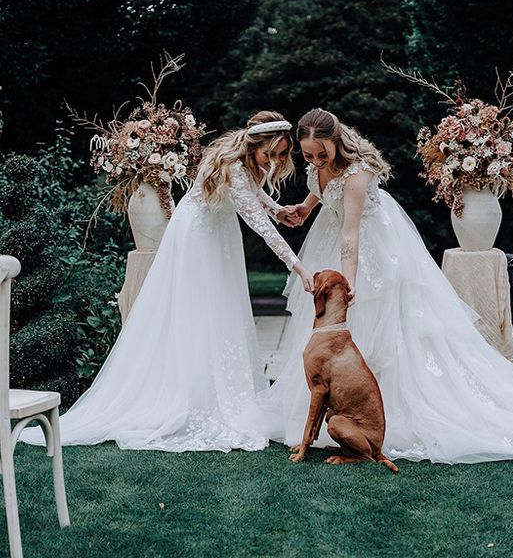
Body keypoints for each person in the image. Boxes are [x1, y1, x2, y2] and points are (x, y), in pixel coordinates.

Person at [257, 108, 513, 464]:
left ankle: (381, 415)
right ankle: (340, 408)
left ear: (336, 141)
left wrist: (349, 283)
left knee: (383, 329)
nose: (316, 162)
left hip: (372, 249)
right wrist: (305, 207)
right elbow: (324, 191)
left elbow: (350, 236)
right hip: (332, 236)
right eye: (309, 156)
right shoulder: (319, 168)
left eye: (322, 154)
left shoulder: (357, 174)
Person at [23, 111, 313, 452]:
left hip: (215, 235)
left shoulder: (241, 162)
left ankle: (212, 389)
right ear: (255, 145)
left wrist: (279, 210)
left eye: (281, 154)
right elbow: (259, 226)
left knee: (218, 313)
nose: (277, 161)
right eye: (272, 153)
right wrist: (299, 268)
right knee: (200, 313)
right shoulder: (233, 166)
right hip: (200, 240)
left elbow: (251, 197)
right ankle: (192, 397)